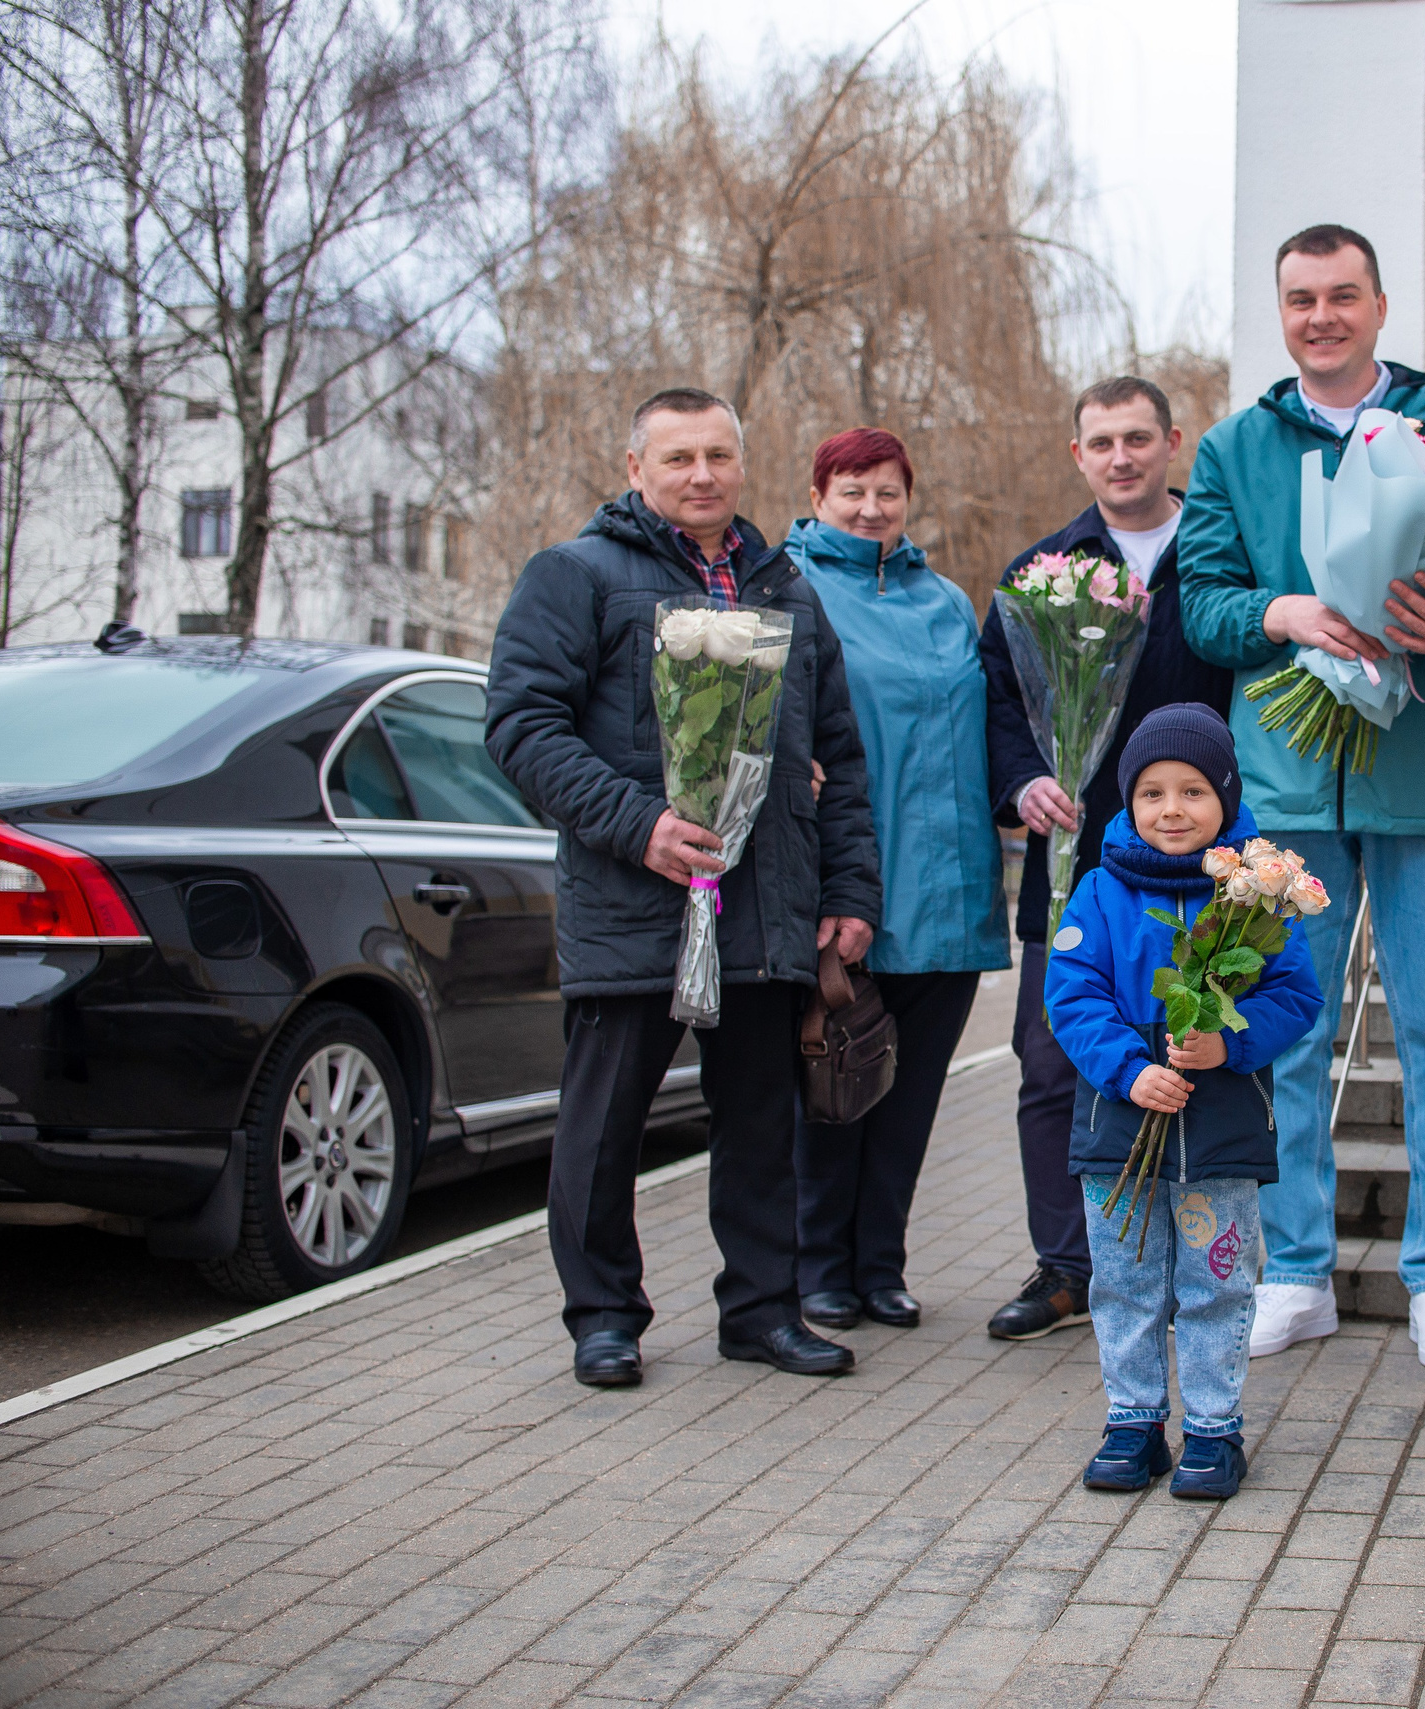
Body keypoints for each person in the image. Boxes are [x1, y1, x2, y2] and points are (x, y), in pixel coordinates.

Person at [1179, 223, 1425, 1374]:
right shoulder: (1235, 447)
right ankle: (1295, 1270)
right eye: (1301, 299)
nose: (1321, 316)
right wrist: (1280, 612)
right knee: (1284, 1031)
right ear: (1279, 312)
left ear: (1380, 306)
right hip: (1290, 783)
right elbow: (1203, 604)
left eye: (1343, 295)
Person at [486, 387, 881, 1387]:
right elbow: (523, 727)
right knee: (604, 1126)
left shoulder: (786, 588)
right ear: (636, 469)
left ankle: (762, 1311)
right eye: (677, 458)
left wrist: (849, 892)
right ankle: (603, 1317)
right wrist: (642, 826)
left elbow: (836, 751)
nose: (701, 475)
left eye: (718, 455)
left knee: (760, 1125)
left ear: (741, 464)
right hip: (637, 902)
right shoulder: (576, 574)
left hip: (765, 905)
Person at [979, 376, 1232, 1343]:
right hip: (1075, 865)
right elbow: (999, 700)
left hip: (1198, 865)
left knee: (1189, 1058)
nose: (1121, 457)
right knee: (1053, 1062)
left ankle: (1189, 1266)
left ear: (1173, 441)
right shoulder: (1042, 572)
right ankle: (1066, 1267)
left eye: (1138, 438)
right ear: (1077, 454)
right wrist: (1021, 785)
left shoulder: (1218, 554)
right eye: (1101, 442)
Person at [1044, 704, 1323, 1499]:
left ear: (1226, 800)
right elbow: (1072, 994)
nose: (1172, 809)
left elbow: (1296, 995)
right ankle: (1133, 1421)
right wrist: (1129, 1069)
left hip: (1219, 1127)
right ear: (1128, 800)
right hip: (1119, 1125)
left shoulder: (1257, 900)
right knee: (1124, 1279)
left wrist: (1227, 1044)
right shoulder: (1099, 891)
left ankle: (1212, 1428)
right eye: (1152, 792)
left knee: (1216, 1280)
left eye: (1194, 791)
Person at [785, 428, 1010, 1331]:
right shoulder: (791, 587)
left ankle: (880, 1263)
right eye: (852, 491)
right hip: (853, 890)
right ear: (817, 497)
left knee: (908, 1101)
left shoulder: (947, 599)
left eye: (888, 491)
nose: (872, 508)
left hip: (948, 891)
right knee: (834, 1087)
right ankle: (817, 1266)